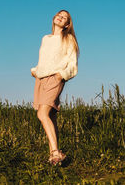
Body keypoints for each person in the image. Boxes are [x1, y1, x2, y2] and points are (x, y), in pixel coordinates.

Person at [31, 9, 79, 166]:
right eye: (59, 15)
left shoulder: (68, 39)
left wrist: (61, 75)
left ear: (67, 24)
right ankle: (55, 158)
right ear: (54, 18)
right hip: (41, 78)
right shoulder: (45, 38)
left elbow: (72, 63)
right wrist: (35, 71)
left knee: (42, 114)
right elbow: (45, 60)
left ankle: (55, 152)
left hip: (55, 78)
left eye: (64, 17)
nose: (61, 17)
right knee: (50, 116)